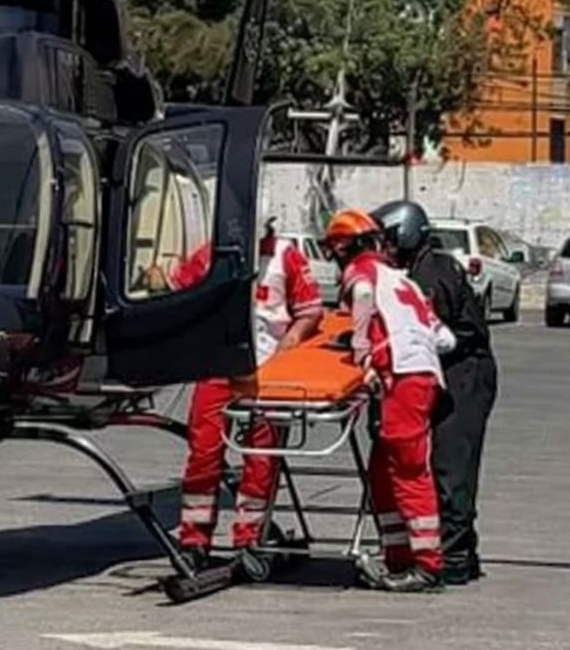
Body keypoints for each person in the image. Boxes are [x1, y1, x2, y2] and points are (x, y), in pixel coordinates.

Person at [154, 221, 322, 573]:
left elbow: (309, 311)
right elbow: (178, 287)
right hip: (217, 366)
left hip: (266, 371)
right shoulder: (212, 254)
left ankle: (250, 537)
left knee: (261, 459)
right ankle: (194, 540)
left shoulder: (286, 255)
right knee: (204, 452)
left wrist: (290, 343)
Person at [322, 208, 454, 593]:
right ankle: (398, 555)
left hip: (404, 377)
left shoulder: (361, 271)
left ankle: (427, 566)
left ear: (343, 248)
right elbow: (445, 339)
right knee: (382, 469)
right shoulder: (403, 281)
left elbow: (362, 295)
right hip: (422, 374)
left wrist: (362, 345)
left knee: (409, 470)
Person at [370, 200, 498, 586]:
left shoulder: (432, 274)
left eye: (386, 239)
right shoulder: (414, 270)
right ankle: (459, 553)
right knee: (442, 463)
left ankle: (454, 554)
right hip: (448, 367)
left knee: (450, 464)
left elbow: (429, 333)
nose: (382, 248)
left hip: (464, 371)